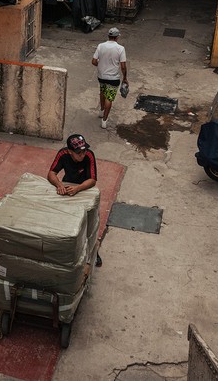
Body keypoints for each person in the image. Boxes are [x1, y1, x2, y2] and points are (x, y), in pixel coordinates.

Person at [47, 133, 103, 267]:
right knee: (66, 219)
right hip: (68, 185)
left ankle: (92, 252)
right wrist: (59, 185)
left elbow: (93, 180)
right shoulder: (63, 154)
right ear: (70, 152)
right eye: (79, 153)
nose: (82, 154)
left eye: (84, 151)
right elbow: (51, 173)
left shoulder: (89, 155)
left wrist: (78, 189)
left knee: (89, 223)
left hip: (85, 188)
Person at [92, 27, 127, 129]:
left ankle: (101, 111)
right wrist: (125, 78)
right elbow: (123, 66)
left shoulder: (100, 46)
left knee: (102, 91)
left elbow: (94, 61)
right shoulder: (120, 49)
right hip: (113, 78)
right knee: (109, 97)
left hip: (101, 76)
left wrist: (101, 65)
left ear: (109, 36)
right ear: (117, 37)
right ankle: (104, 121)